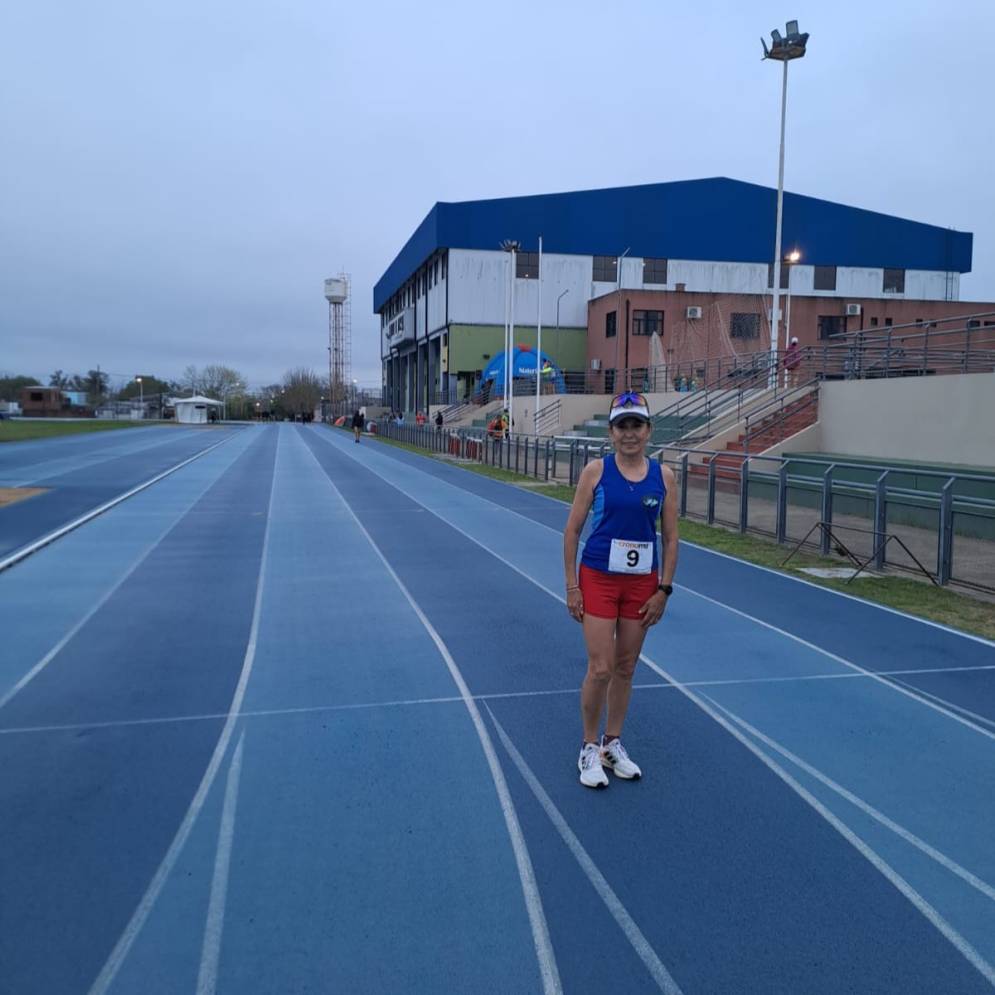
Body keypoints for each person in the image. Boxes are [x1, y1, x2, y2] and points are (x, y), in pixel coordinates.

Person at [563, 390, 679, 789]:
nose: (629, 433)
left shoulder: (664, 477)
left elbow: (671, 538)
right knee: (601, 668)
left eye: (636, 425)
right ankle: (588, 746)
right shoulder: (595, 472)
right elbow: (572, 531)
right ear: (611, 433)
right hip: (598, 577)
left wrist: (664, 590)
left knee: (626, 667)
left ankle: (612, 744)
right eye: (621, 426)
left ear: (648, 431)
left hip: (642, 583)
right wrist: (572, 586)